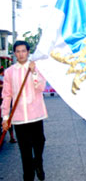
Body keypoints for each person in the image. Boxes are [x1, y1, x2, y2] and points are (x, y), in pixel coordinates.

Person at [1, 41, 48, 181]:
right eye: (18, 51)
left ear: (28, 52)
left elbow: (41, 88)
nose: (21, 54)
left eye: (23, 51)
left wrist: (33, 72)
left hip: (36, 115)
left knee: (39, 143)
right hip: (19, 118)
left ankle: (38, 163)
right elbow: (7, 95)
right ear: (14, 53)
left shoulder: (36, 68)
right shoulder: (9, 72)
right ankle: (28, 176)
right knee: (25, 150)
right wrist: (5, 117)